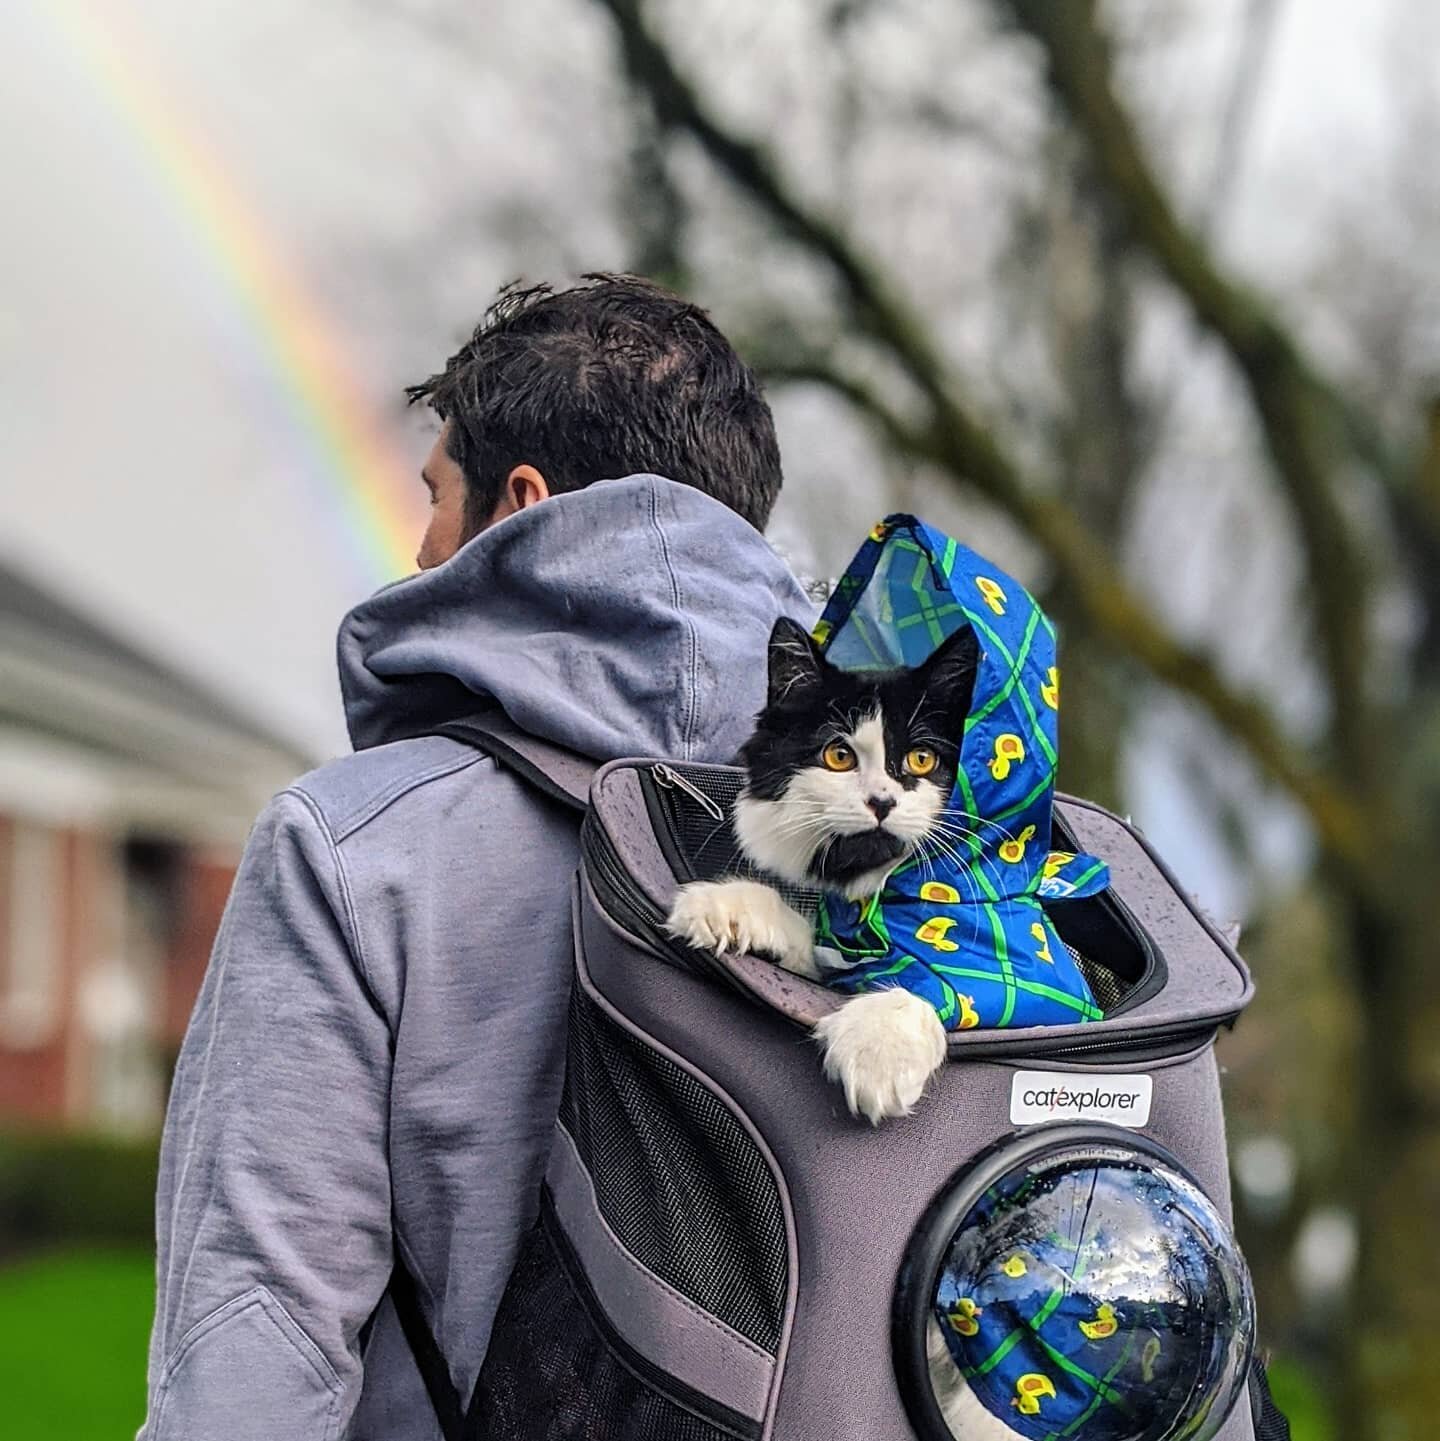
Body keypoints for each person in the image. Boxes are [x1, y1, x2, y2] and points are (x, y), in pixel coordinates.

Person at [139, 274, 811, 1440]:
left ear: (522, 505)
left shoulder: (354, 853)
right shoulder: (926, 850)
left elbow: (253, 1353)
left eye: (436, 496)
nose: (419, 545)